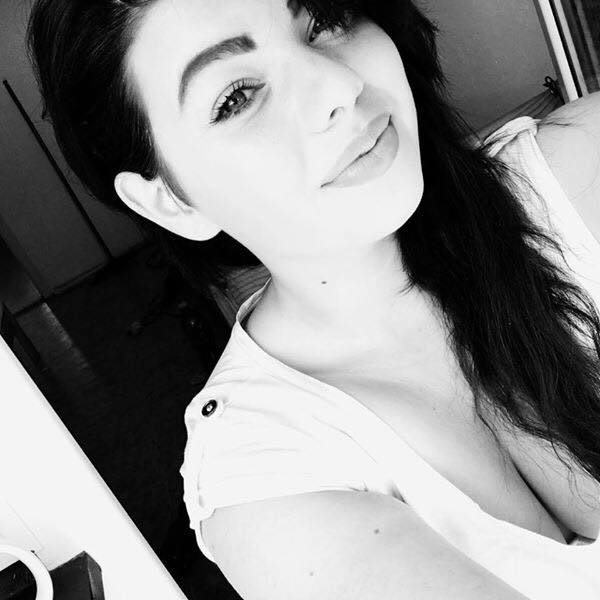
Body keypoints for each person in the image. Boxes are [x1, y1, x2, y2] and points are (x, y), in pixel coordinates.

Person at [27, 0, 600, 598]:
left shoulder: (579, 166)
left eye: (325, 19)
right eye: (237, 97)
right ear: (171, 201)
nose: (340, 85)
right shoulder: (267, 474)